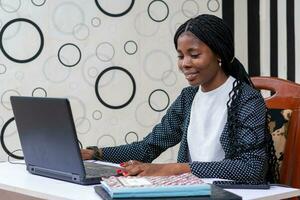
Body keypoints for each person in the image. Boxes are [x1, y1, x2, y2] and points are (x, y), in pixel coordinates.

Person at [81, 14, 272, 182]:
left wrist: (172, 169)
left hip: (234, 194)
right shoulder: (188, 98)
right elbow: (148, 147)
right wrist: (94, 154)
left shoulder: (246, 99)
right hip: (195, 191)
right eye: (181, 56)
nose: (185, 64)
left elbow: (251, 168)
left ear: (219, 54)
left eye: (194, 55)